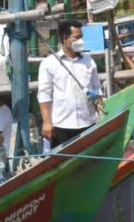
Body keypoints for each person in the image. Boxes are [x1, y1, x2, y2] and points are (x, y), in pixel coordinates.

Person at [38, 19, 103, 148]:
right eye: (77, 38)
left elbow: (96, 88)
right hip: (62, 126)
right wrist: (47, 122)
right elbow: (44, 94)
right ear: (65, 38)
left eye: (82, 37)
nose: (81, 41)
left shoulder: (89, 61)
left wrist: (101, 113)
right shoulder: (49, 63)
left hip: (88, 123)